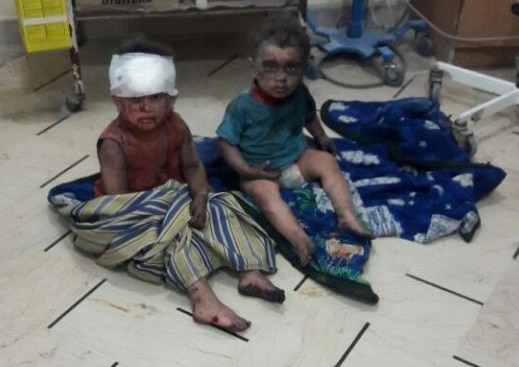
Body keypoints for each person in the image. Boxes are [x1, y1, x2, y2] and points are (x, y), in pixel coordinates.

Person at [93, 36, 284, 332]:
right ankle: (203, 298)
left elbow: (194, 166)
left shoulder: (176, 125)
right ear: (118, 102)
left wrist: (200, 196)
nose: (145, 108)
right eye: (135, 100)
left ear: (172, 99)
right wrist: (171, 216)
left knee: (227, 208)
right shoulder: (113, 144)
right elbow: (119, 205)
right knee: (177, 242)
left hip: (177, 197)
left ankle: (250, 271)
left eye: (155, 98)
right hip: (142, 211)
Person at [216, 17, 373, 267]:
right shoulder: (242, 105)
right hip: (259, 169)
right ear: (253, 67)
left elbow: (310, 115)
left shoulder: (299, 93)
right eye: (270, 67)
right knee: (265, 196)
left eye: (291, 68)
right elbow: (225, 142)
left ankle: (346, 216)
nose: (282, 78)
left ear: (304, 67)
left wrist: (321, 137)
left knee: (326, 161)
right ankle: (299, 239)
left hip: (296, 156)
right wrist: (245, 170)